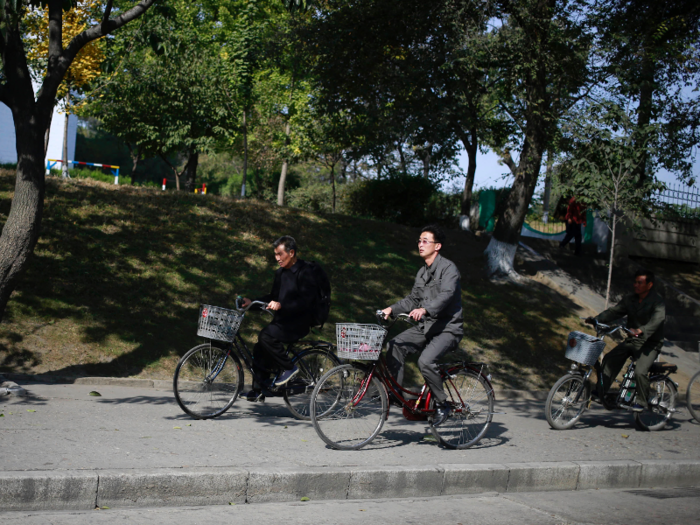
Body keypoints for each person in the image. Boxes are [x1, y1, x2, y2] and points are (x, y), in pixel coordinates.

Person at [381, 225, 464, 427]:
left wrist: (425, 310)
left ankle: (442, 404)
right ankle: (396, 395)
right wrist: (390, 309)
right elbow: (412, 299)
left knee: (426, 361)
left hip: (447, 328)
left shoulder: (448, 269)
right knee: (394, 345)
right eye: (419, 240)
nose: (420, 244)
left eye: (425, 241)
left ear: (437, 246)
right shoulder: (422, 272)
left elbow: (446, 295)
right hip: (427, 327)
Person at [241, 236, 317, 402]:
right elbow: (272, 297)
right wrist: (250, 303)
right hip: (283, 321)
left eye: (279, 254)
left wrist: (282, 305)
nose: (277, 258)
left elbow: (306, 301)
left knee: (266, 336)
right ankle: (259, 389)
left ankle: (289, 368)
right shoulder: (280, 274)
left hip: (299, 322)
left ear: (291, 252)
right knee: (260, 347)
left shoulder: (306, 272)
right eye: (275, 254)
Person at [586, 269, 665, 412]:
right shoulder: (630, 299)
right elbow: (615, 311)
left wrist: (641, 330)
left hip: (650, 343)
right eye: (635, 282)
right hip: (633, 340)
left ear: (649, 285)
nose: (636, 285)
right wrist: (596, 319)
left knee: (640, 371)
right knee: (610, 358)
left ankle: (642, 402)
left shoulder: (657, 301)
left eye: (640, 283)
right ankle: (601, 391)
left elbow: (657, 320)